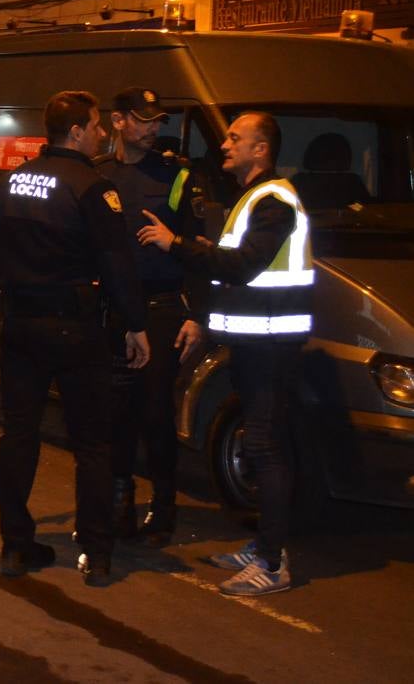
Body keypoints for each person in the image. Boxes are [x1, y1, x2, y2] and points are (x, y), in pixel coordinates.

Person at [139, 112, 311, 596]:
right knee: (262, 445)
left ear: (262, 150)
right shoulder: (255, 198)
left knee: (266, 448)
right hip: (256, 343)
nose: (225, 145)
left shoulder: (274, 201)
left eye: (237, 139)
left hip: (272, 346)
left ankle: (273, 563)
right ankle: (263, 549)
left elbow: (241, 267)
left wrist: (177, 245)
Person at [0, 90, 149, 587]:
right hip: (78, 330)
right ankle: (97, 555)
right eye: (97, 126)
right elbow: (116, 266)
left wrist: (11, 306)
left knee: (19, 434)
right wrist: (136, 325)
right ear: (75, 131)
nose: (102, 133)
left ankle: (15, 546)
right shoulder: (92, 188)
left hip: (22, 327)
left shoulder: (10, 183)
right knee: (93, 444)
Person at [96, 88, 206, 546]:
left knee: (155, 409)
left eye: (159, 120)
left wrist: (197, 312)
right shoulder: (97, 174)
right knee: (113, 409)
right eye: (144, 120)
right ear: (118, 121)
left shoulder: (176, 175)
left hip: (160, 306)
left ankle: (164, 506)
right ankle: (120, 497)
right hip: (110, 309)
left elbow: (198, 246)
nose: (154, 128)